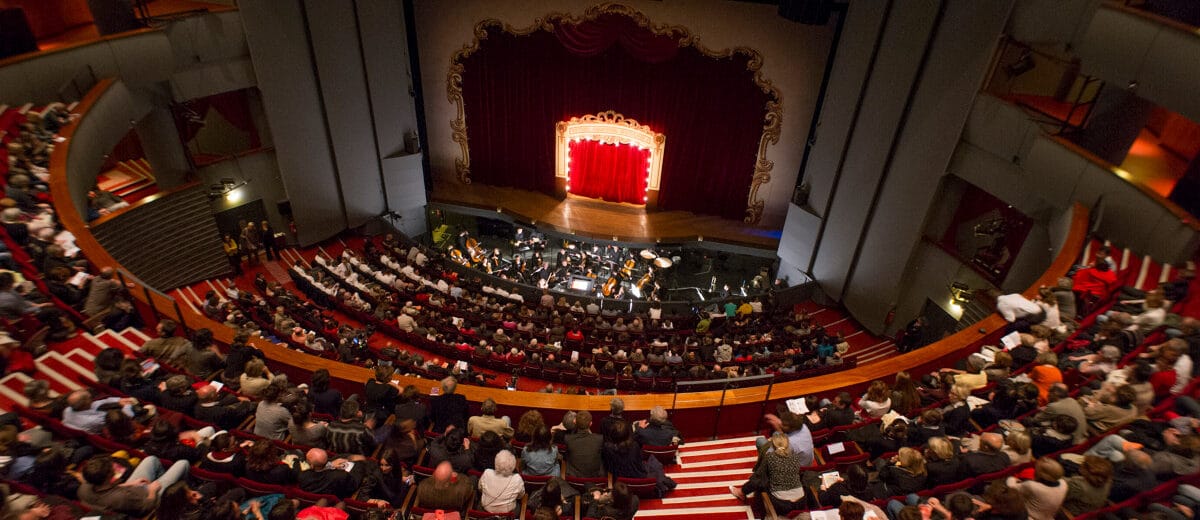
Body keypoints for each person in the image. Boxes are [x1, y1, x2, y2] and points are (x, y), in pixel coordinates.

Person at [79, 455, 190, 516]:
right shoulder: (120, 498)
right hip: (150, 499)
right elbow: (145, 509)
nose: (113, 466)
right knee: (183, 463)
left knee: (151, 460)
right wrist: (152, 490)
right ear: (108, 476)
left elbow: (107, 490)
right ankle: (181, 493)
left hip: (131, 492)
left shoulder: (84, 488)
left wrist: (129, 484)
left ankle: (167, 482)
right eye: (111, 467)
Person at [729, 432, 806, 515]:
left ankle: (741, 493)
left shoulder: (770, 457)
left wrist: (744, 489)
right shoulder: (795, 456)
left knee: (759, 480)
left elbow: (758, 479)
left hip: (782, 504)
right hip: (801, 502)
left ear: (772, 445)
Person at [297, 448, 365, 499]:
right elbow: (356, 483)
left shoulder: (302, 476)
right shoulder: (340, 476)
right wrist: (359, 463)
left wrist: (330, 465)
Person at [564, 410, 605, 477]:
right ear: (591, 424)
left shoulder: (568, 439)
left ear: (574, 422)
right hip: (594, 477)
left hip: (574, 478)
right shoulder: (599, 439)